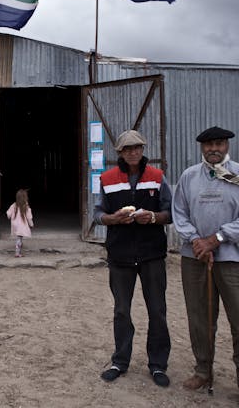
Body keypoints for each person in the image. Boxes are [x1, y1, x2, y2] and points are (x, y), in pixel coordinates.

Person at [172, 126, 239, 408]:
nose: (214, 148)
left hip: (234, 259)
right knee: (200, 319)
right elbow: (180, 213)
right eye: (209, 144)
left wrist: (217, 239)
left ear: (227, 146)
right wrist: (197, 241)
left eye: (219, 143)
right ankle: (203, 371)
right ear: (201, 147)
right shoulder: (189, 176)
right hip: (195, 258)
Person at [94, 130, 172, 388]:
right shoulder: (107, 179)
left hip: (152, 254)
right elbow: (97, 213)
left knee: (158, 311)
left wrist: (152, 217)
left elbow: (169, 213)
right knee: (121, 311)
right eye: (127, 149)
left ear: (142, 149)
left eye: (137, 147)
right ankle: (120, 361)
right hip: (120, 255)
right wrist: (112, 219)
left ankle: (158, 365)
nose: (133, 152)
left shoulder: (157, 177)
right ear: (120, 153)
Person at [6, 189, 33, 257]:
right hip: (21, 225)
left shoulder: (14, 205)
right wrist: (31, 224)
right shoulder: (26, 207)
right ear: (25, 198)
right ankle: (17, 253)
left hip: (15, 224)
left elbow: (8, 214)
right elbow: (29, 217)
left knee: (19, 237)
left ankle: (19, 248)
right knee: (19, 238)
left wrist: (11, 216)